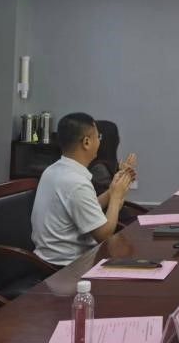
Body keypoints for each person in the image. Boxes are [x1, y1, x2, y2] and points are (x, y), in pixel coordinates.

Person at [31, 112, 135, 266]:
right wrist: (115, 197)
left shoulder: (54, 169)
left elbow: (86, 207)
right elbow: (104, 235)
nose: (99, 142)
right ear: (86, 142)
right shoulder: (75, 182)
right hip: (65, 267)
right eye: (98, 137)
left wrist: (112, 190)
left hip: (49, 259)